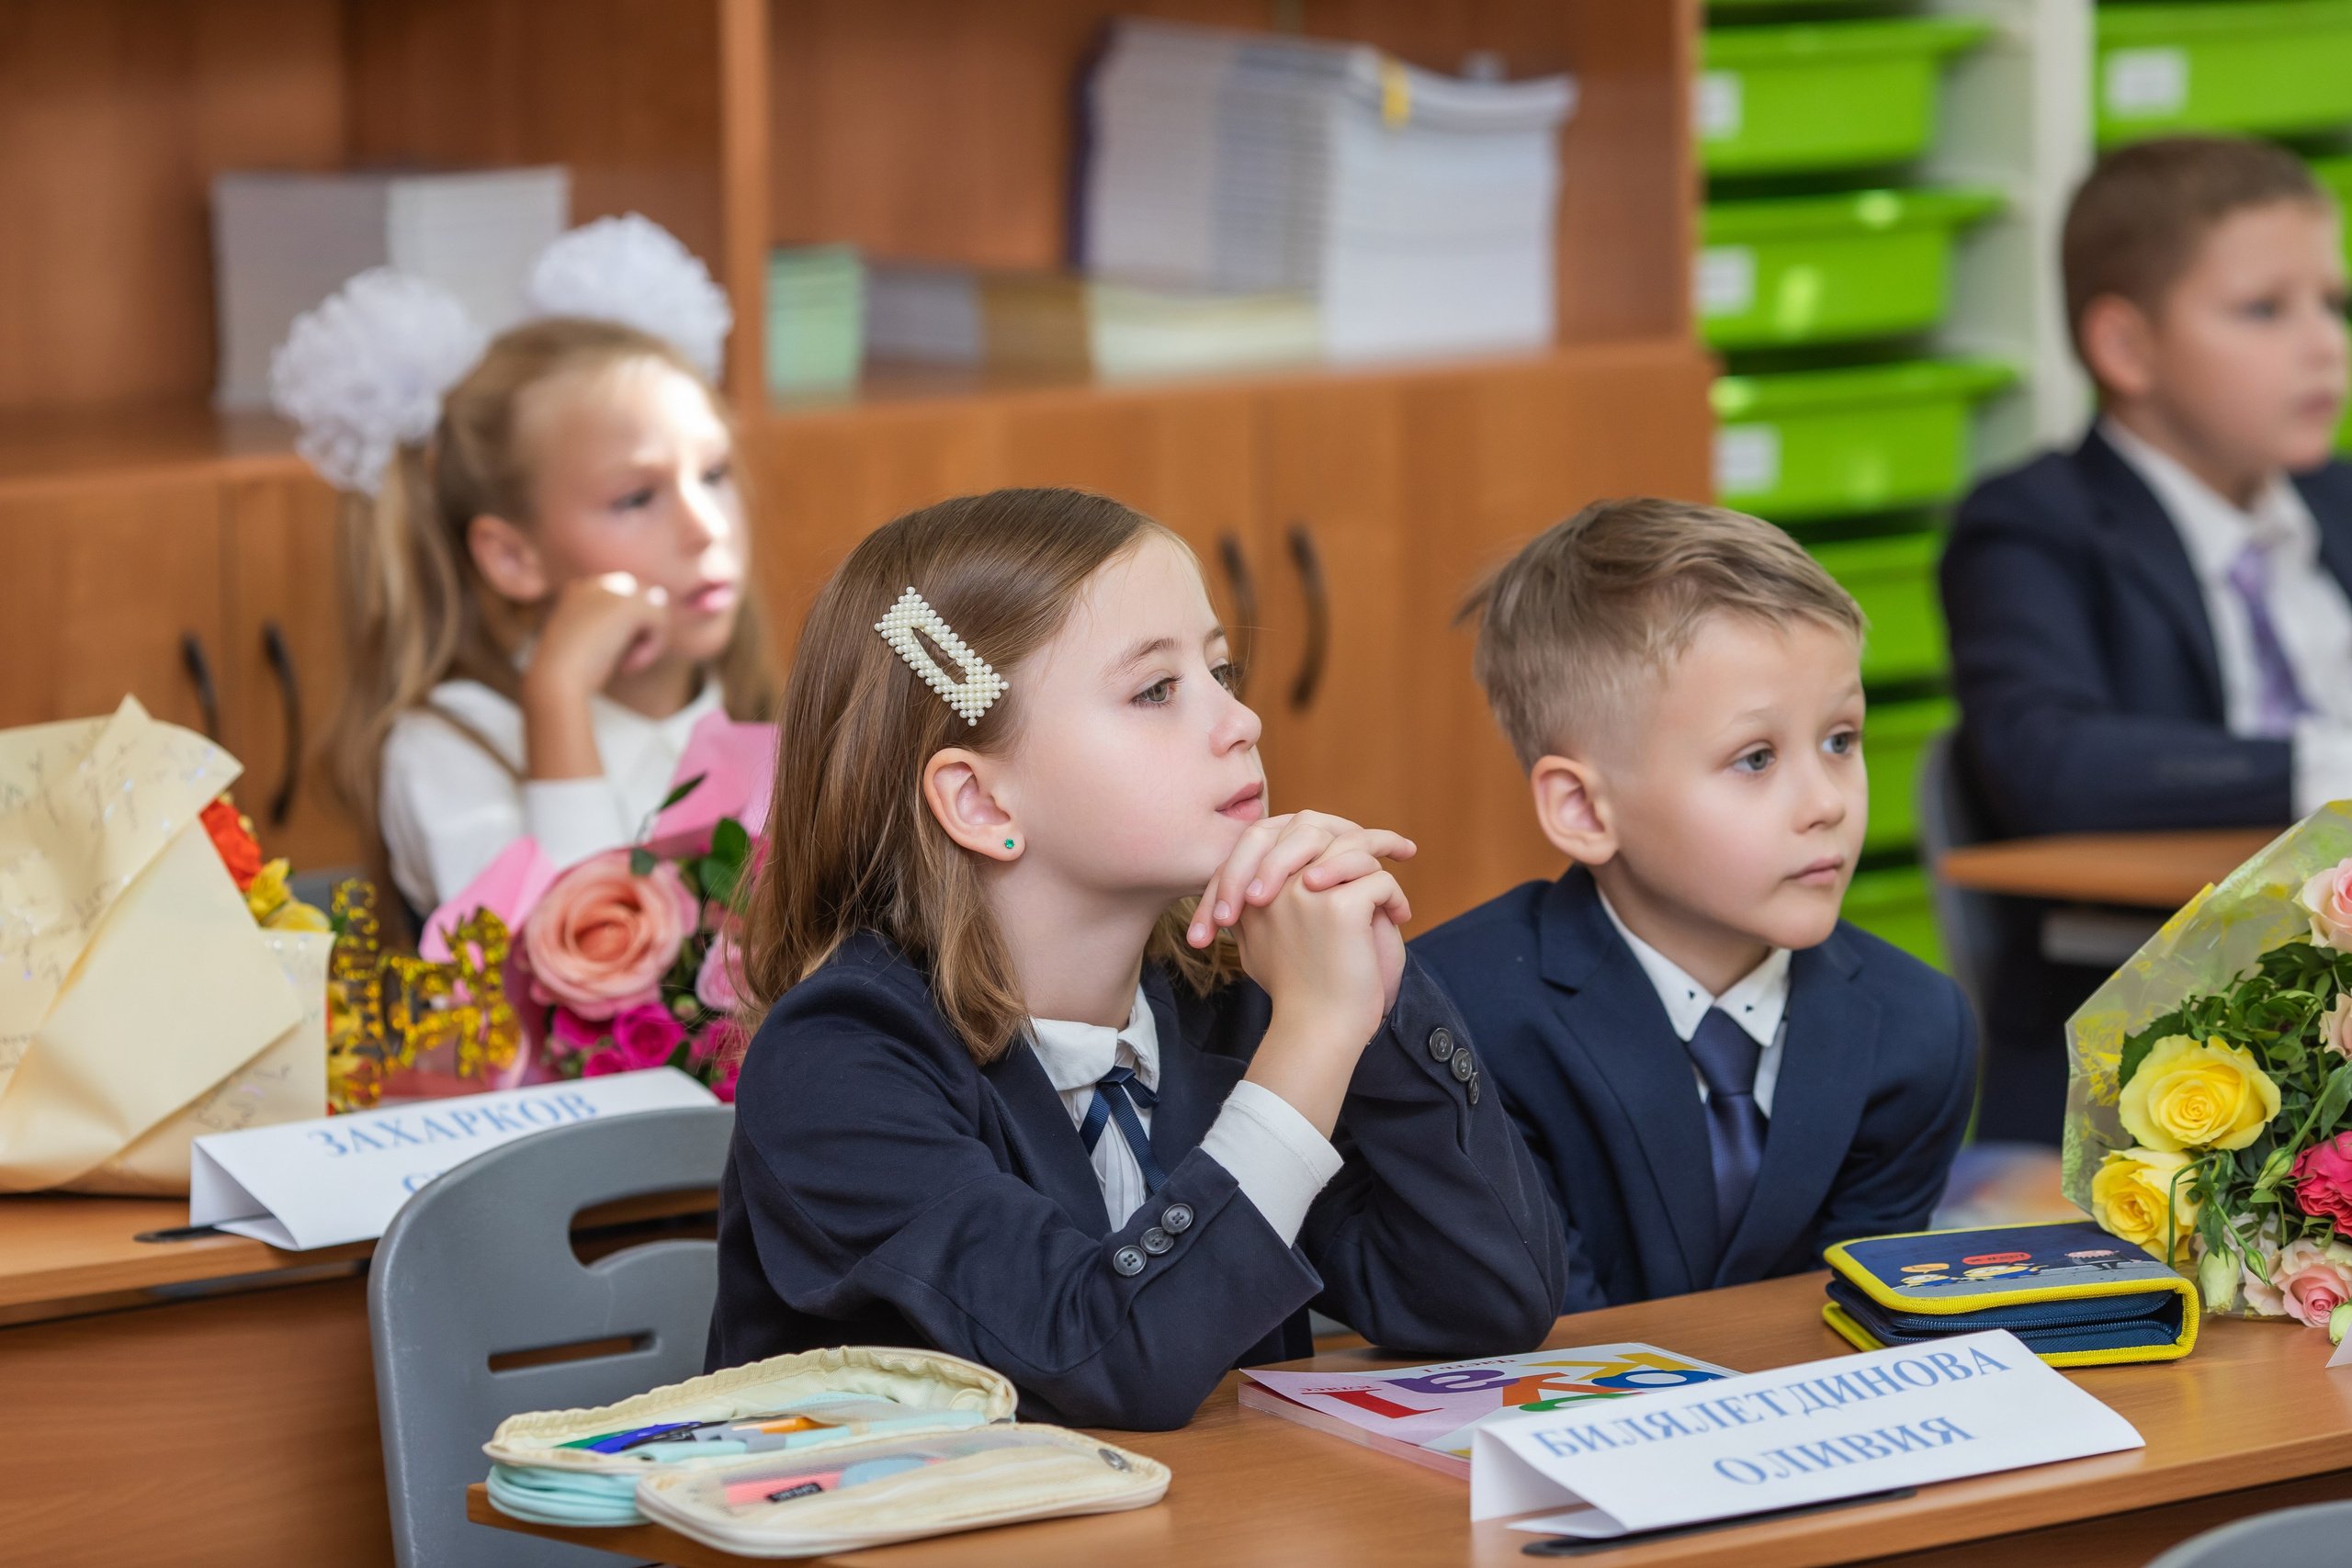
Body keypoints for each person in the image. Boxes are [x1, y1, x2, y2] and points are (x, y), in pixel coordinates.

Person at [707, 488, 1566, 1429]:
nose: (1240, 722)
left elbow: (1485, 1303)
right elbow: (1110, 1361)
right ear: (982, 804)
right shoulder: (839, 1064)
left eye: (1222, 672)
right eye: (1156, 690)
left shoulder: (1226, 1003)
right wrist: (1313, 1037)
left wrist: (1374, 1000)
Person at [1412, 498, 1975, 1310]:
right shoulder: (1464, 1018)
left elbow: (1855, 1322)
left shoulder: (1919, 1029)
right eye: (1755, 758)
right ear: (1583, 809)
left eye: (1840, 740)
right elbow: (1555, 1338)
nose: (1827, 801)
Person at [1941, 136, 2352, 1141]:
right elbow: (2047, 760)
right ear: (2124, 348)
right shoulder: (2032, 524)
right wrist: (2327, 768)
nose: (2324, 346)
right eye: (2263, 310)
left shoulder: (2339, 500)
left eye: (2332, 304)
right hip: (2150, 1056)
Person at [272, 218, 777, 923]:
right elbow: (575, 999)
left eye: (715, 472)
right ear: (514, 557)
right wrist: (559, 697)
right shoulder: (448, 752)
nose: (707, 526)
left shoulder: (768, 714)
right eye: (637, 497)